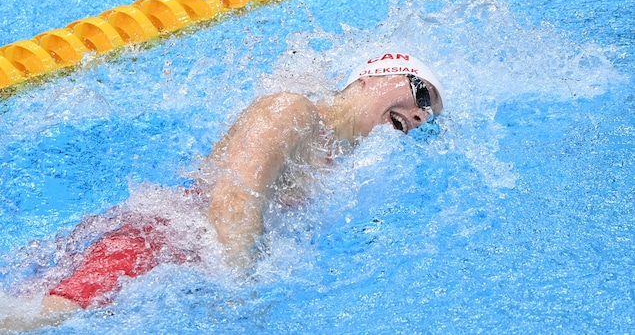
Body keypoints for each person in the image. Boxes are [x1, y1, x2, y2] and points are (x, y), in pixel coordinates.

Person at [0, 52, 444, 330]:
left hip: (187, 260)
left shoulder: (333, 155)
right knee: (33, 318)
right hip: (151, 244)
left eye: (430, 117)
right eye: (421, 95)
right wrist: (242, 294)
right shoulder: (292, 110)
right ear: (373, 74)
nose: (423, 115)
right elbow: (232, 201)